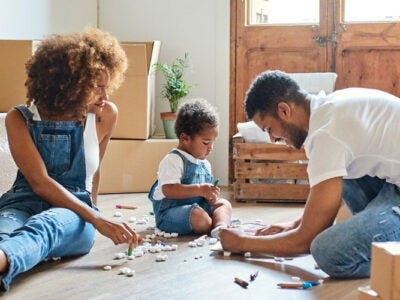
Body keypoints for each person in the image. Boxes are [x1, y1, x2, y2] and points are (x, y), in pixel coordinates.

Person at [219, 70, 400, 278]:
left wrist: (242, 243)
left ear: (284, 110)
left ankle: (394, 260)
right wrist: (294, 225)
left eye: (270, 129)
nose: (272, 139)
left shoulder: (327, 133)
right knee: (339, 173)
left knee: (327, 251)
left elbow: (305, 241)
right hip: (393, 185)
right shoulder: (331, 108)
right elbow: (327, 199)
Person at [0, 28, 139, 292]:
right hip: (23, 201)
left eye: (107, 87)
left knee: (46, 226)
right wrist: (98, 220)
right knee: (4, 229)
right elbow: (39, 183)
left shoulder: (105, 115)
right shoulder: (20, 118)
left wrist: (94, 216)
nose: (105, 96)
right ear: (73, 85)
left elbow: (94, 172)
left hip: (76, 211)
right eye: (97, 88)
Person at [148, 98, 232, 237]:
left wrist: (210, 197)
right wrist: (199, 189)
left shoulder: (204, 163)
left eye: (212, 143)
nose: (210, 148)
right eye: (205, 143)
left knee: (224, 204)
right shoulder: (173, 160)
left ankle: (220, 227)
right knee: (199, 218)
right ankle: (210, 224)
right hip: (171, 212)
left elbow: (205, 196)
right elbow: (168, 189)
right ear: (184, 138)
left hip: (197, 208)